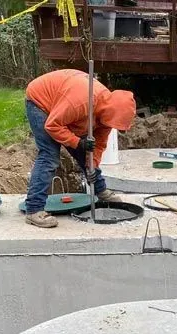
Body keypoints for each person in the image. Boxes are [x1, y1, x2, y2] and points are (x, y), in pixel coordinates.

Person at [23, 69, 137, 228]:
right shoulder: (81, 102)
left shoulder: (107, 115)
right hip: (41, 102)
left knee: (86, 153)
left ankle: (100, 190)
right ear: (108, 113)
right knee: (49, 156)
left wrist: (93, 165)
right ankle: (34, 209)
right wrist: (77, 142)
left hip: (65, 108)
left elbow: (98, 145)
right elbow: (52, 125)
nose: (111, 127)